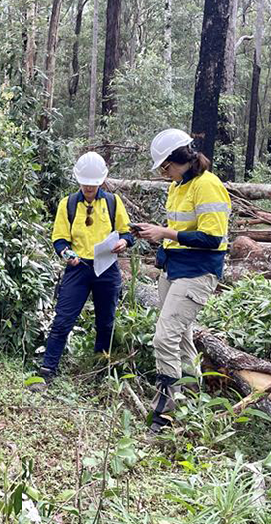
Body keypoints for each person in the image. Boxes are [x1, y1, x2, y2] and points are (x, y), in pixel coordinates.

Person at [133, 129, 231, 434]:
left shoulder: (208, 186)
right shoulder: (178, 186)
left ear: (180, 159)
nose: (164, 174)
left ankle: (165, 414)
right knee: (182, 337)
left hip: (198, 271)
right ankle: (192, 401)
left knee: (164, 337)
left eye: (165, 167)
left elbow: (212, 238)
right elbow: (179, 228)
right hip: (174, 269)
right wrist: (157, 233)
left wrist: (165, 234)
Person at [30, 152, 134, 391]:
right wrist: (67, 254)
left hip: (106, 268)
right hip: (78, 269)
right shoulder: (68, 204)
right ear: (78, 180)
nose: (89, 187)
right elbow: (59, 239)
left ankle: (100, 370)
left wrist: (124, 243)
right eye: (85, 183)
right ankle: (47, 371)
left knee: (106, 322)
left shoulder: (112, 202)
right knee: (63, 320)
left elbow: (127, 233)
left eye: (93, 183)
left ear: (101, 182)